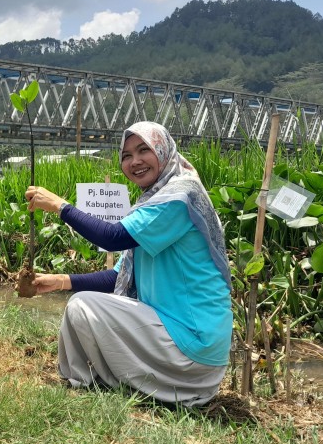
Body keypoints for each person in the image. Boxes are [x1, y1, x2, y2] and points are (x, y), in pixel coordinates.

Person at [25, 121, 232, 407]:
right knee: (82, 300)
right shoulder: (158, 199)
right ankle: (103, 378)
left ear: (163, 150)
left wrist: (61, 206)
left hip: (192, 346)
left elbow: (113, 237)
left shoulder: (179, 196)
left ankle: (80, 379)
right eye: (126, 156)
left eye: (143, 150)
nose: (134, 161)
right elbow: (118, 275)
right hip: (186, 345)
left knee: (82, 306)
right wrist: (60, 281)